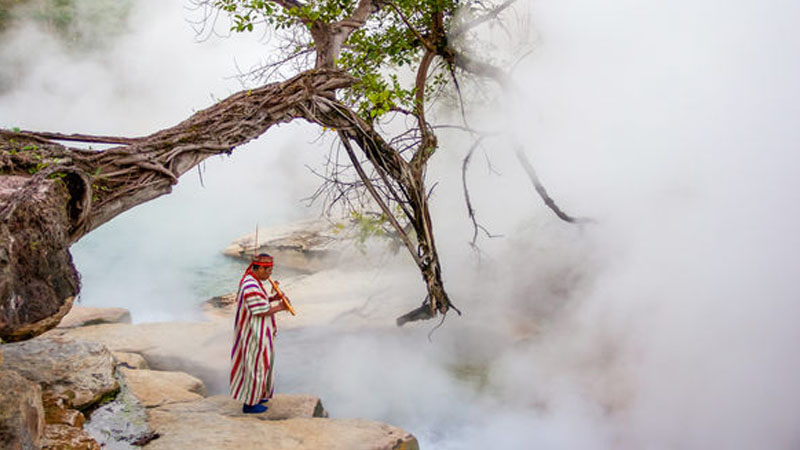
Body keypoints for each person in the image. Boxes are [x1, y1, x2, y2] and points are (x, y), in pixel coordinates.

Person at [230, 253, 288, 414]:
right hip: (254, 333)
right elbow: (260, 310)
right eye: (268, 270)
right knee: (256, 366)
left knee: (264, 364)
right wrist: (281, 307)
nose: (270, 273)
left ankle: (259, 394)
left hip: (260, 331)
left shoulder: (253, 281)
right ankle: (250, 403)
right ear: (260, 268)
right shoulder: (250, 286)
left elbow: (261, 302)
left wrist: (273, 298)